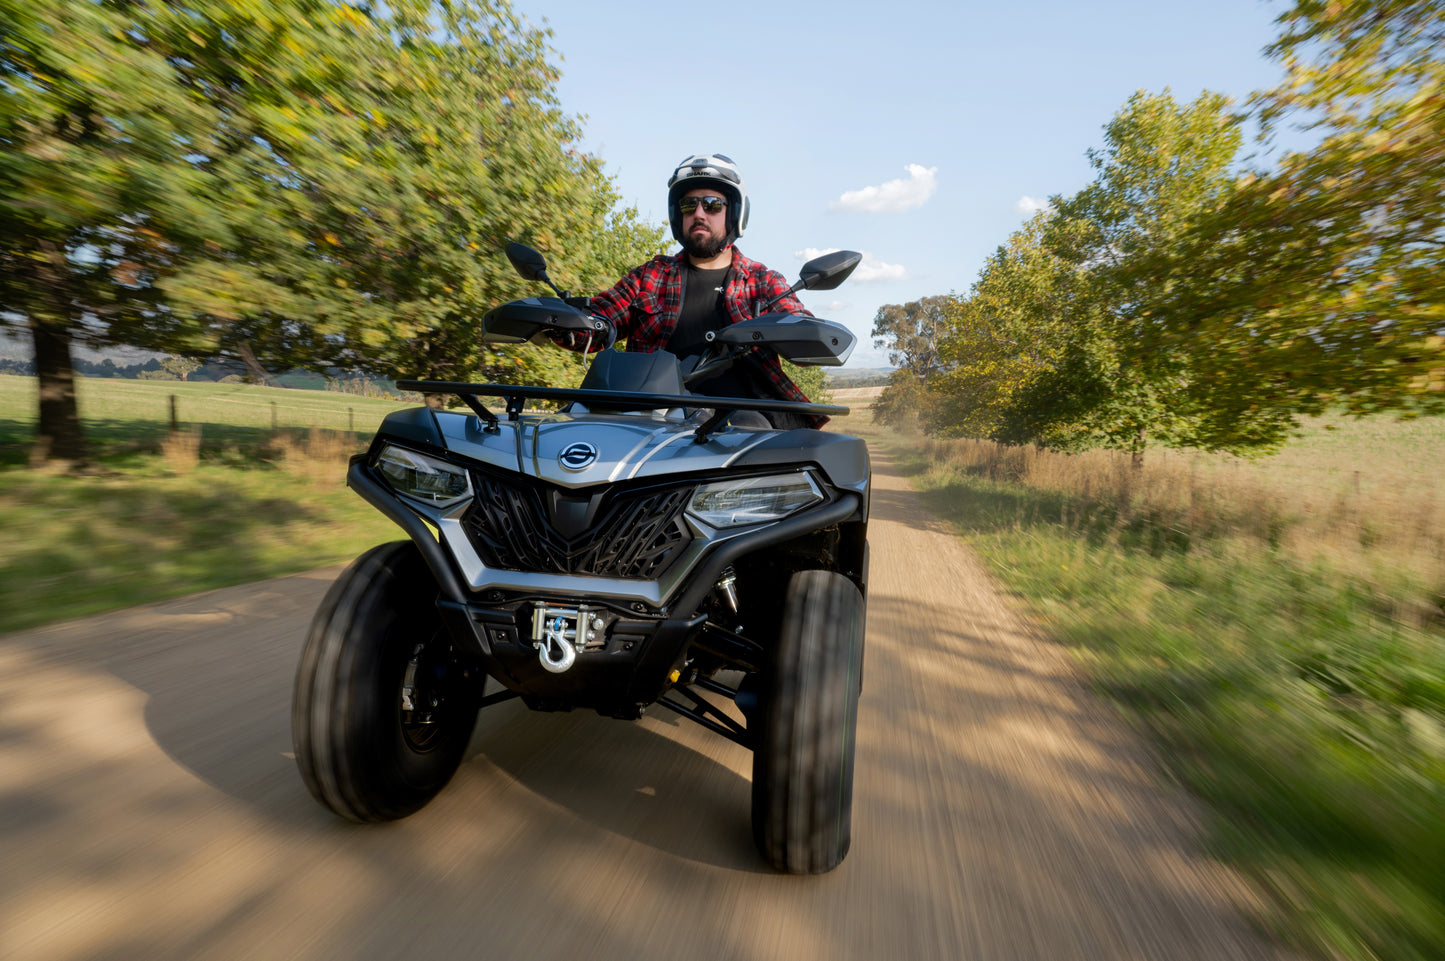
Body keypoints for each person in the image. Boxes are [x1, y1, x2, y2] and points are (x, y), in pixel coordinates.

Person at [581, 153, 825, 428]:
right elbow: (598, 319)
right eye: (688, 205)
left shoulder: (763, 282)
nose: (698, 213)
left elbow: (804, 334)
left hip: (745, 435)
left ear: (734, 213)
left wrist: (807, 334)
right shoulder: (650, 277)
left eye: (712, 205)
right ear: (678, 214)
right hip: (652, 427)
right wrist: (561, 320)